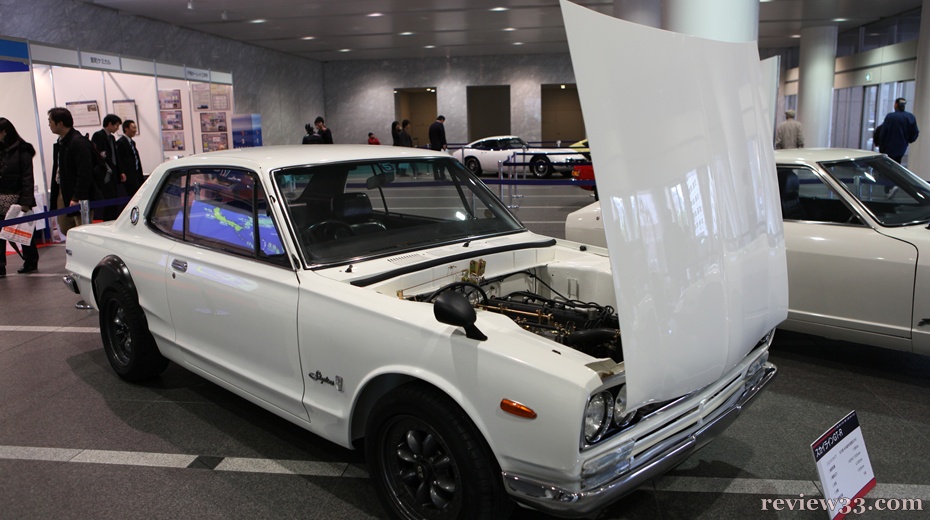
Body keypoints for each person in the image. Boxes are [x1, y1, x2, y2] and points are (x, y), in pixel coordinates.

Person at [48, 107, 97, 237]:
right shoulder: (61, 142)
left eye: (50, 121)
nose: (49, 124)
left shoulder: (78, 142)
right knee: (65, 227)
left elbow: (85, 171)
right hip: (62, 190)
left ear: (60, 123)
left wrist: (77, 196)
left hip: (77, 194)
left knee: (81, 229)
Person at [0, 117, 40, 275]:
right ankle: (0, 265)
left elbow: (27, 177)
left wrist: (26, 200)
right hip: (1, 197)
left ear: (4, 132)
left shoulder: (23, 150)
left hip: (17, 198)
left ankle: (30, 261)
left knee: (23, 233)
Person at [91, 114, 122, 220]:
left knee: (114, 197)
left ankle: (113, 218)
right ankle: (107, 219)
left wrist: (120, 171)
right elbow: (97, 153)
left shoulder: (112, 138)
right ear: (109, 124)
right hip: (104, 171)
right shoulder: (98, 135)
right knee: (108, 197)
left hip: (113, 170)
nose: (117, 128)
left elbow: (116, 156)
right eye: (116, 126)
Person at [875, 97, 919, 164]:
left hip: (887, 148)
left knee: (887, 166)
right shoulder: (910, 117)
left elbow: (883, 133)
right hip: (901, 148)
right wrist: (908, 140)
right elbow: (915, 132)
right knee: (897, 165)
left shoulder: (890, 116)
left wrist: (880, 145)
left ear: (896, 104)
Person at [115, 119, 144, 197]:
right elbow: (119, 160)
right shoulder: (121, 143)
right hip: (129, 176)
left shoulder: (132, 142)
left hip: (136, 174)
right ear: (126, 128)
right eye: (133, 128)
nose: (135, 130)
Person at [428, 116, 448, 180]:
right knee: (441, 162)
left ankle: (436, 176)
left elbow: (430, 136)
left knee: (435, 162)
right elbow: (442, 135)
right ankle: (442, 176)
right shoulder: (440, 125)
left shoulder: (432, 126)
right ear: (442, 120)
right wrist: (444, 144)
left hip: (433, 146)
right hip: (439, 147)